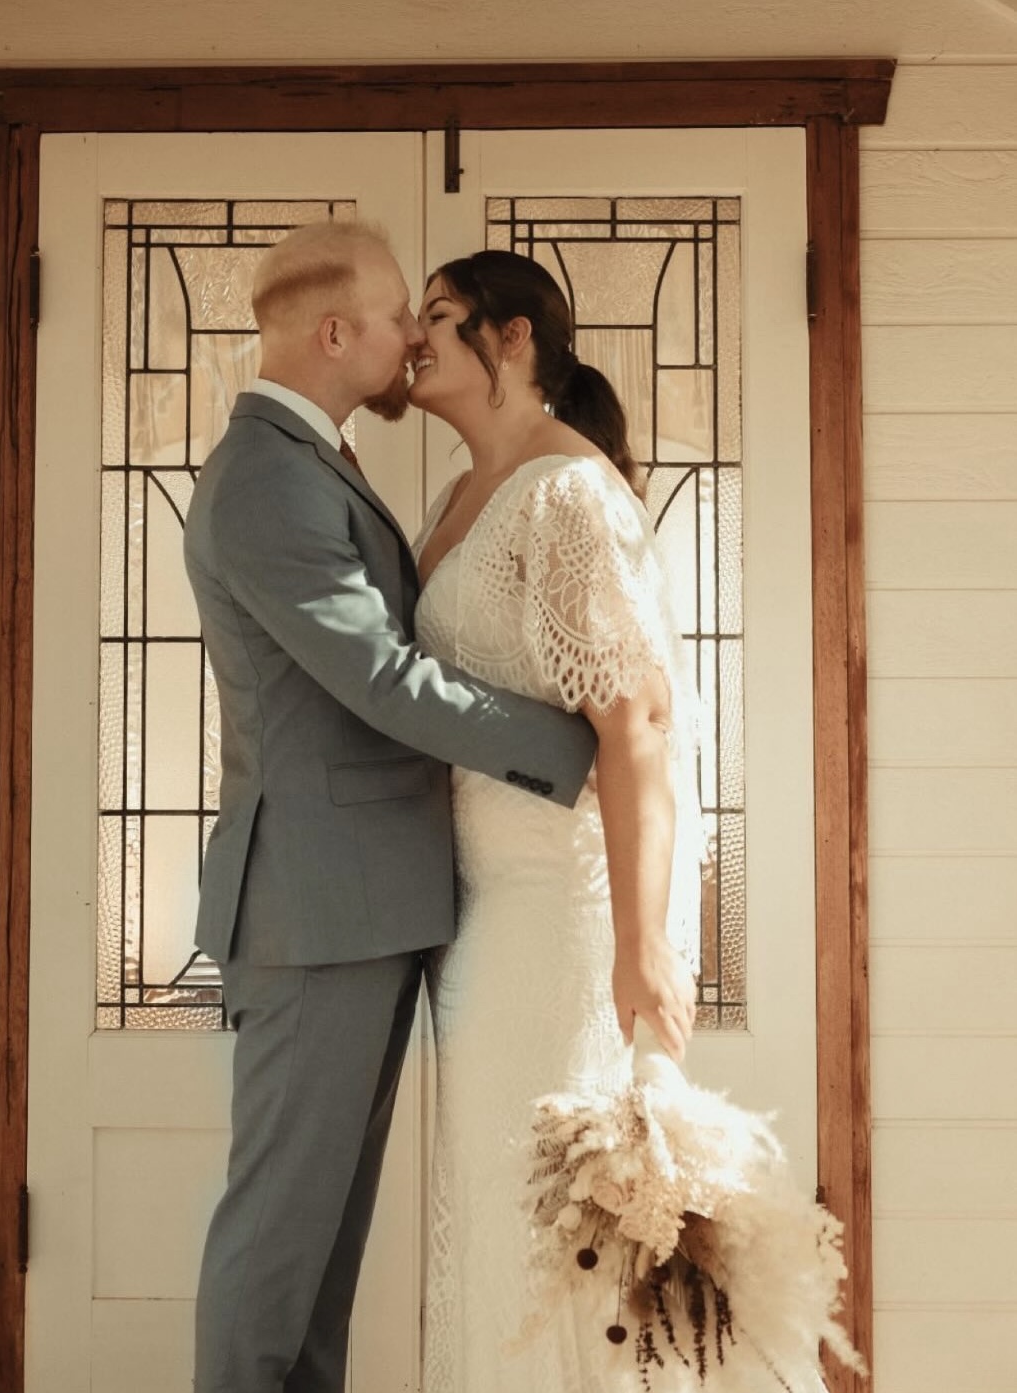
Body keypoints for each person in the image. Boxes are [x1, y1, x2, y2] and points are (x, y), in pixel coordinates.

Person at [182, 223, 598, 1393]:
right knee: (277, 1245)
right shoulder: (265, 475)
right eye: (394, 316)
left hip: (359, 904)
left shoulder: (313, 456)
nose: (415, 334)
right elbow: (375, 676)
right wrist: (577, 747)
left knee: (319, 1253)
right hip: (317, 910)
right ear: (334, 333)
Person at [407, 250, 701, 1392]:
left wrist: (642, 943)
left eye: (439, 315)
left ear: (514, 336)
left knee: (554, 1229)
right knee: (492, 1215)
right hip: (480, 909)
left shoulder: (571, 493)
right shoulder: (461, 492)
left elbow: (634, 724)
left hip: (561, 917)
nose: (416, 337)